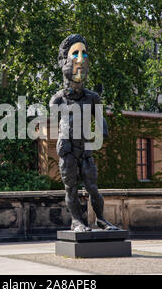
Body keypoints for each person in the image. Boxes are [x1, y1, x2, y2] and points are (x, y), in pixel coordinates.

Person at [49, 34, 119, 232]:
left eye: (84, 53)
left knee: (93, 188)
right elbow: (57, 123)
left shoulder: (92, 97)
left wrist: (99, 132)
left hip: (86, 150)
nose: (81, 58)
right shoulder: (58, 100)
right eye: (75, 53)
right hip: (68, 150)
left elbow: (100, 122)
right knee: (71, 188)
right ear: (64, 61)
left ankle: (101, 219)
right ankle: (77, 221)